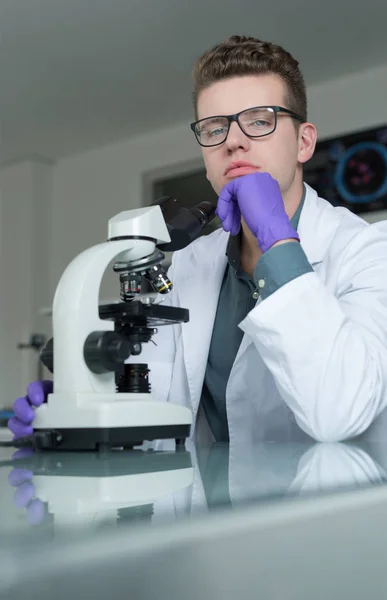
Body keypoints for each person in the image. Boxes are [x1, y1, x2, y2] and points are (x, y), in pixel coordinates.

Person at [8, 35, 387, 444]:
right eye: (214, 128)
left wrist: (277, 242)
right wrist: (84, 405)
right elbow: (158, 402)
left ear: (304, 142)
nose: (233, 141)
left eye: (260, 121)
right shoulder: (190, 264)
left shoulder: (366, 251)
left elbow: (340, 412)